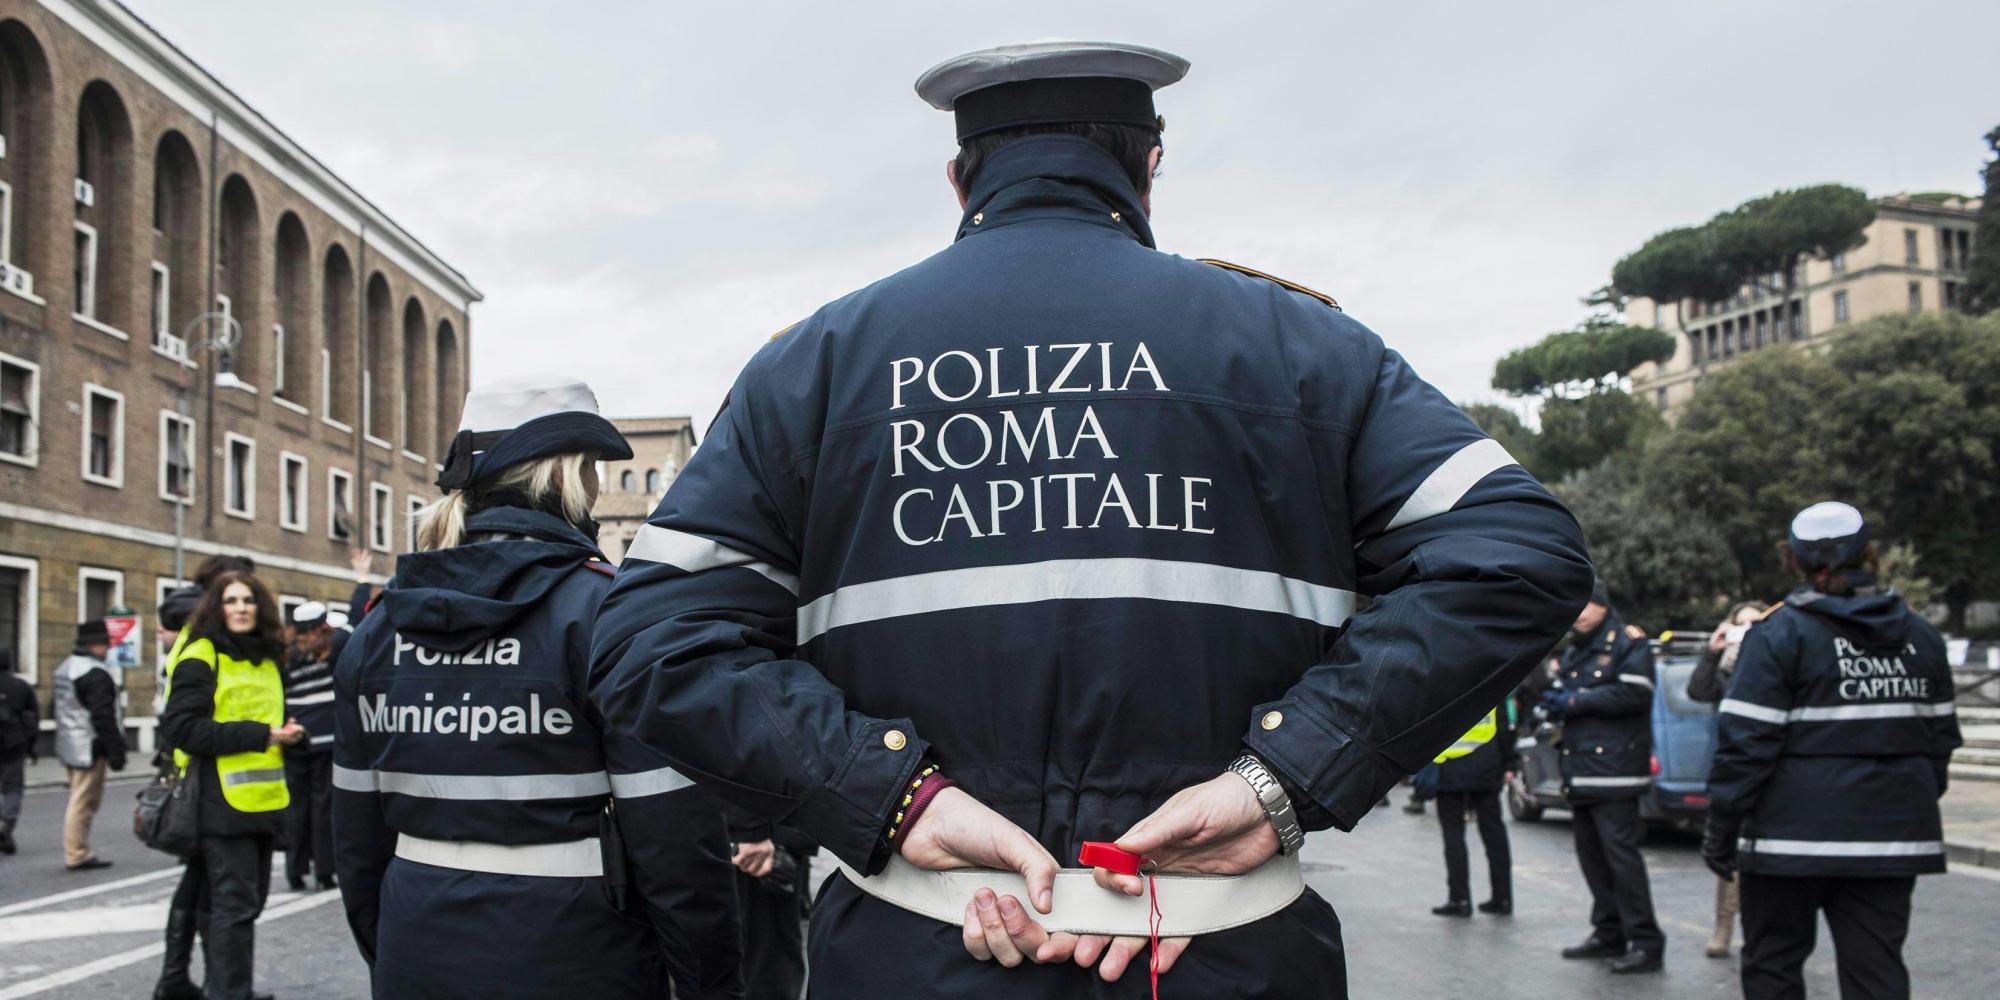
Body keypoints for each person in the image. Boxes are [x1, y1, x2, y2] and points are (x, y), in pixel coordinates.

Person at [589, 41, 1592, 998]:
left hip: (910, 954)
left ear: (958, 181)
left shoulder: (811, 366)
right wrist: (1282, 777)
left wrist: (891, 799)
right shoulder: (1301, 346)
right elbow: (1518, 554)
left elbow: (649, 637)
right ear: (1145, 168)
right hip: (1229, 956)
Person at [331, 376, 742, 1000]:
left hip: (415, 951)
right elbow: (675, 842)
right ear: (563, 478)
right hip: (578, 956)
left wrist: (393, 952)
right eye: (596, 470)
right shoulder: (608, 617)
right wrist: (712, 988)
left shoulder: (379, 628)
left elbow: (356, 846)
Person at [1703, 502, 1960, 1000]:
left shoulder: (1778, 635)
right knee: (1877, 974)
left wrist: (1722, 829)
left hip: (1786, 845)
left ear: (1793, 560)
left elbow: (1744, 747)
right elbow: (1940, 744)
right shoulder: (1922, 638)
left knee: (1773, 967)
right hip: (1890, 841)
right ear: (1871, 556)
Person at [155, 572, 303, 1000]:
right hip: (219, 801)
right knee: (235, 907)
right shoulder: (203, 654)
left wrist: (292, 736)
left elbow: (273, 719)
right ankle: (230, 992)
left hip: (264, 801)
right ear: (216, 608)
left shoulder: (269, 657)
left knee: (234, 905)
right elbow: (181, 728)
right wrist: (261, 735)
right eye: (231, 600)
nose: (241, 607)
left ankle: (212, 985)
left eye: (248, 600)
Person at [1539, 577, 1664, 973]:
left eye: (1584, 605)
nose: (1577, 614)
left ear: (1602, 605)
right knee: (1592, 859)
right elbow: (1558, 690)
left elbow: (1635, 692)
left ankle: (1646, 942)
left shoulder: (1628, 642)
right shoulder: (1577, 647)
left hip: (1615, 772)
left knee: (1621, 861)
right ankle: (1609, 932)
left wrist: (1574, 701)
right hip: (1580, 770)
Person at [1685, 600, 1764, 958]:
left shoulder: (1773, 662)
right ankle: (1724, 927)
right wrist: (1712, 653)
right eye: (1740, 623)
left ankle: (1756, 930)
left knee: (1761, 856)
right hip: (1730, 765)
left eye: (1754, 623)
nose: (1745, 630)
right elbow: (1698, 691)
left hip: (1765, 768)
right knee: (1726, 852)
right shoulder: (1725, 667)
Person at [1429, 703, 1516, 918]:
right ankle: (1502, 897)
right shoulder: (1493, 679)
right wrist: (1510, 763)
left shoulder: (1444, 682)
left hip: (1449, 767)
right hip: (1487, 765)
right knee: (1494, 833)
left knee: (1454, 835)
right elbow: (1504, 727)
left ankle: (1459, 899)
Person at [725, 805, 817, 1000]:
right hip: (756, 832)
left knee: (766, 963)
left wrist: (750, 831)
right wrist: (750, 831)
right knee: (766, 962)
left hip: (758, 833)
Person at [55, 619, 126, 871]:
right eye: (105, 644)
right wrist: (115, 749)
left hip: (69, 743)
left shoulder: (66, 667)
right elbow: (103, 716)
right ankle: (77, 853)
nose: (107, 650)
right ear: (96, 645)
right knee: (84, 802)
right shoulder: (95, 673)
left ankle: (76, 850)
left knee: (78, 798)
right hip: (89, 745)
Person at [282, 602, 341, 891]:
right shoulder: (333, 651)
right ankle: (325, 871)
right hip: (326, 741)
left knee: (296, 806)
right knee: (323, 807)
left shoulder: (286, 657)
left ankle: (295, 869)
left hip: (295, 739)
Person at [0, 652, 37, 855]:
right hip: (12, 743)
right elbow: (32, 716)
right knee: (12, 787)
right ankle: (6, 823)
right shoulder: (20, 686)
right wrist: (31, 746)